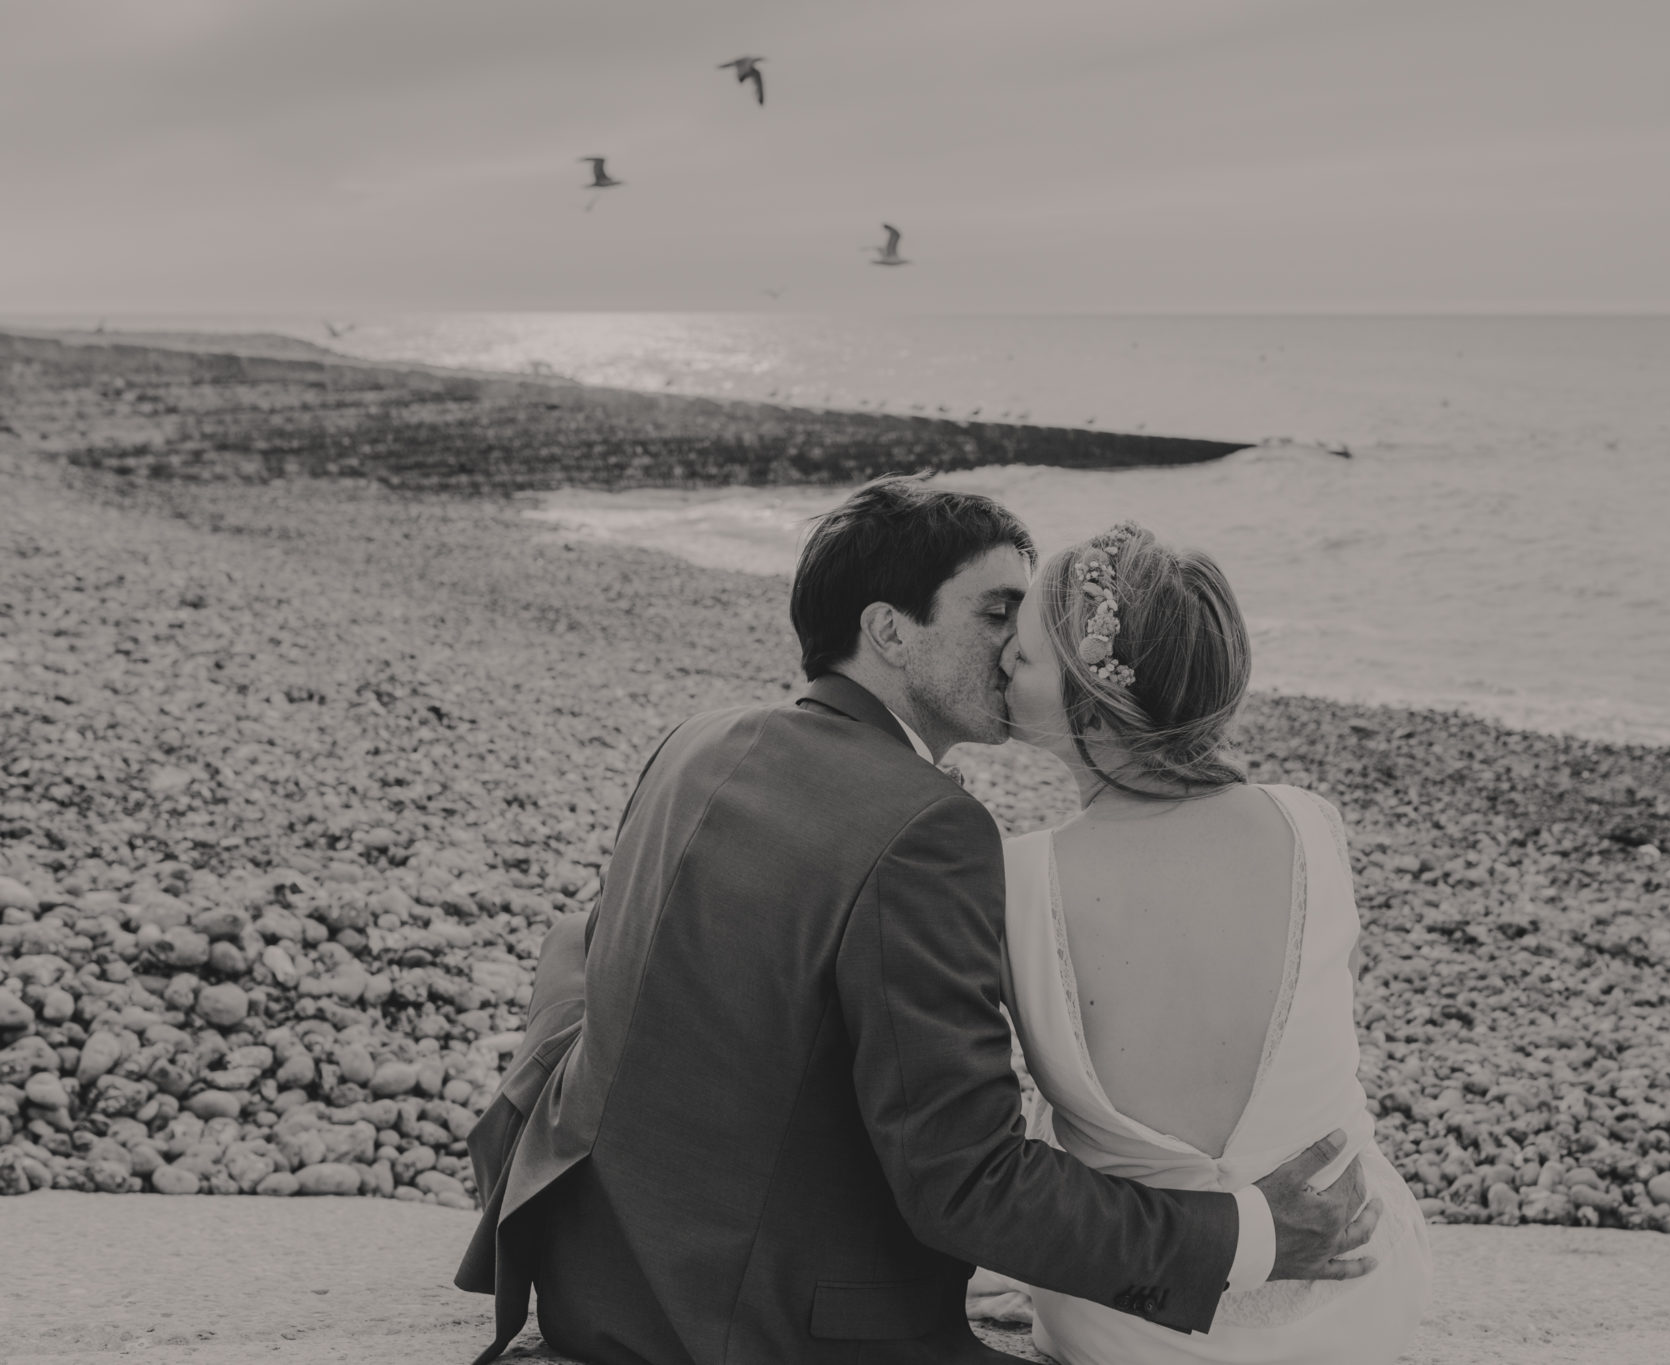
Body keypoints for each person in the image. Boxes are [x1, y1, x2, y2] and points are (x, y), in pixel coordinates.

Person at [455, 479, 1382, 1365]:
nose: (1019, 643)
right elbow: (965, 1181)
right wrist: (1249, 1233)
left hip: (591, 1273)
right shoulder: (928, 827)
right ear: (889, 630)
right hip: (760, 1328)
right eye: (994, 612)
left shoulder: (697, 738)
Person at [993, 521, 1433, 1364]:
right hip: (1358, 1294)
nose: (1006, 657)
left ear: (1097, 692)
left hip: (1133, 1326)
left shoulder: (1014, 881)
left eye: (1029, 650)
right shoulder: (1310, 824)